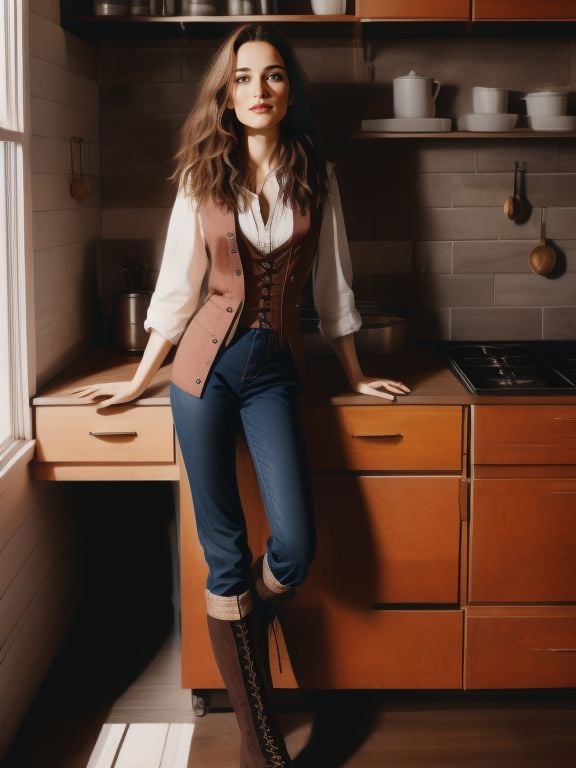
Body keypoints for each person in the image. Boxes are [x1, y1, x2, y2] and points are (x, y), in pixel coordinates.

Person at [70, 23, 410, 767]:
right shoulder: (203, 174)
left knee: (294, 545)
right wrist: (137, 380)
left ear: (290, 90)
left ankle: (242, 619)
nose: (260, 89)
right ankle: (264, 752)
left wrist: (352, 372)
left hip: (275, 371)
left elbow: (334, 282)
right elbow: (175, 289)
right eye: (245, 77)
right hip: (200, 375)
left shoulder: (318, 175)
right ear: (225, 93)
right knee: (223, 557)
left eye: (274, 76)